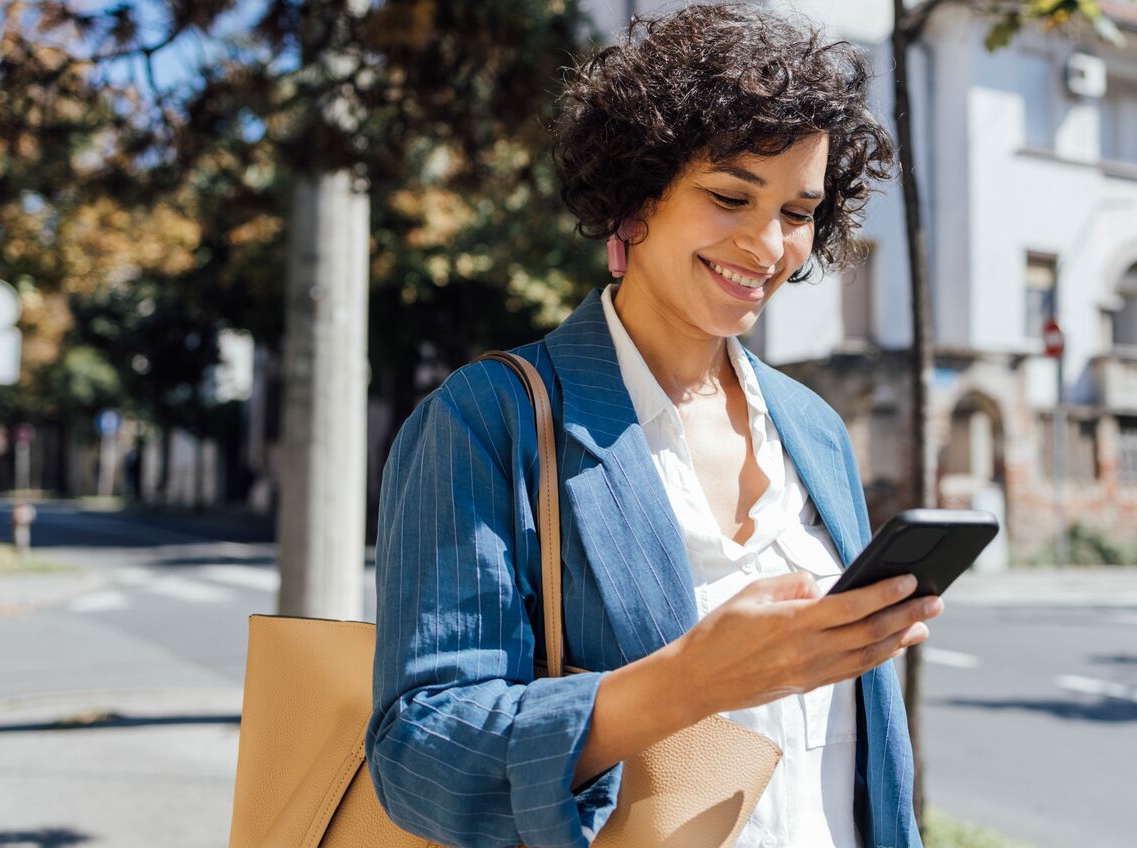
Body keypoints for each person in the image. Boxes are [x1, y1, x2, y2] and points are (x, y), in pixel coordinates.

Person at [366, 5, 942, 847]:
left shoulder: (813, 428)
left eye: (796, 211)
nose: (768, 243)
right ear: (635, 197)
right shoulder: (488, 420)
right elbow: (419, 754)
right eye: (729, 195)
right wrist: (687, 682)